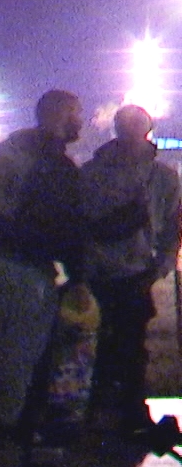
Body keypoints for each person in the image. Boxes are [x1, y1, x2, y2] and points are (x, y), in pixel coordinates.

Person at [0, 89, 95, 436]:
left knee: (10, 342)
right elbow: (68, 225)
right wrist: (77, 275)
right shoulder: (54, 163)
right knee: (24, 348)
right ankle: (11, 423)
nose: (82, 119)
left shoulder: (16, 146)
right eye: (76, 112)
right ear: (60, 115)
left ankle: (6, 413)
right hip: (27, 266)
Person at [82, 104, 182, 427]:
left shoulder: (95, 173)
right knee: (118, 346)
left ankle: (107, 410)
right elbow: (171, 229)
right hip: (116, 272)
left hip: (117, 272)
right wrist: (160, 266)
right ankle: (121, 411)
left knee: (116, 345)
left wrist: (159, 266)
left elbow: (172, 228)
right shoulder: (158, 177)